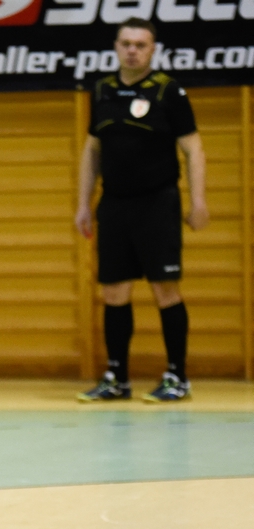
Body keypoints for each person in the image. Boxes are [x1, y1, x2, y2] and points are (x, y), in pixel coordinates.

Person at [75, 17, 208, 403]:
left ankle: (176, 376)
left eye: (141, 44)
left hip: (158, 204)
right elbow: (92, 150)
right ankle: (117, 377)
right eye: (126, 42)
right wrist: (84, 203)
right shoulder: (101, 90)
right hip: (114, 205)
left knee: (165, 289)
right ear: (116, 46)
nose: (133, 49)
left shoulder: (169, 92)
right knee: (114, 292)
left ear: (153, 50)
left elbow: (194, 149)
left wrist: (199, 201)